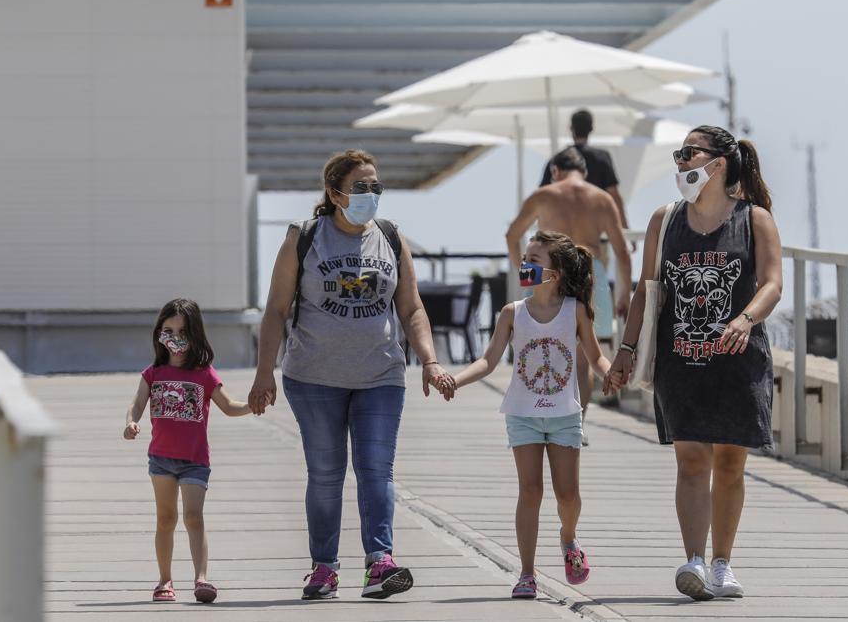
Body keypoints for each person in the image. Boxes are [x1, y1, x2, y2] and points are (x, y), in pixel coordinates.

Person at [248, 149, 455, 601]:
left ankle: (380, 563)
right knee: (325, 473)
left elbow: (411, 307)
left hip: (380, 375)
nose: (371, 194)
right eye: (361, 187)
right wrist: (264, 373)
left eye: (376, 186)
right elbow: (276, 310)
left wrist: (431, 360)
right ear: (334, 192)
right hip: (313, 376)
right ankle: (324, 568)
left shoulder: (391, 237)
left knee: (376, 471)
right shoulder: (303, 237)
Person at [607, 125, 783, 601]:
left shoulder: (754, 219)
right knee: (690, 460)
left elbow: (771, 284)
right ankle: (695, 561)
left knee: (728, 463)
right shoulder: (665, 220)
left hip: (738, 361)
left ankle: (723, 562)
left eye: (688, 153)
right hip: (680, 360)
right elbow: (647, 290)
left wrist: (746, 320)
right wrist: (624, 351)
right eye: (679, 154)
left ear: (717, 164)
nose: (680, 163)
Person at [444, 231, 616, 598]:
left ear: (555, 272)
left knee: (567, 495)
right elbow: (488, 361)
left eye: (534, 261)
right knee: (530, 490)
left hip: (564, 414)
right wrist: (455, 382)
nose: (525, 266)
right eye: (525, 259)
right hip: (522, 414)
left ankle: (568, 538)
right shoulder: (512, 313)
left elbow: (595, 357)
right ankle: (526, 574)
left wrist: (612, 375)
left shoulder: (576, 310)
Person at [123, 298, 254, 604]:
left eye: (181, 332)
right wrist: (131, 422)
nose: (174, 337)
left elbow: (229, 406)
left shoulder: (204, 373)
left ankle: (201, 578)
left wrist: (253, 405)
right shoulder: (152, 373)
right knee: (165, 519)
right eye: (168, 330)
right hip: (161, 459)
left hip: (195, 461)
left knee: (194, 517)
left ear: (194, 335)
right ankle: (164, 580)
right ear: (159, 332)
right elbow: (137, 404)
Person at [508, 148, 631, 432]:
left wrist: (526, 272)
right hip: (590, 273)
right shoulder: (601, 198)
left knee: (540, 349)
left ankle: (540, 418)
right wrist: (624, 292)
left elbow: (512, 235)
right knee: (586, 356)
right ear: (584, 172)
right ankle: (578, 424)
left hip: (546, 275)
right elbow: (622, 251)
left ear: (555, 171)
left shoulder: (544, 195)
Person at [539, 109, 630, 230]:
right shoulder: (602, 158)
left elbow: (542, 197)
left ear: (571, 129)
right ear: (591, 129)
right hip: (596, 231)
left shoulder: (556, 160)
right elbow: (614, 195)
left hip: (563, 232)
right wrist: (625, 227)